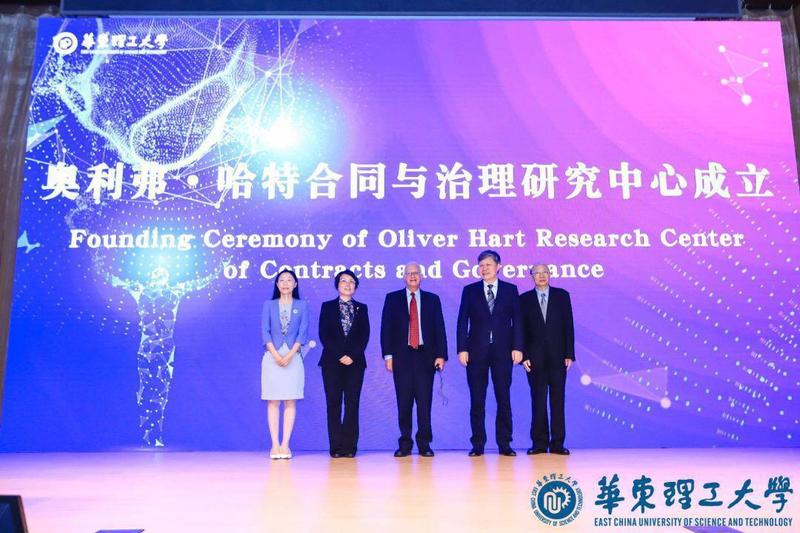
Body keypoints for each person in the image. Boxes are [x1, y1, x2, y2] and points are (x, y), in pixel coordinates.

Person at [456, 250, 523, 456]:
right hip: (476, 352)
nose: (484, 269)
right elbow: (462, 321)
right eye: (481, 265)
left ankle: (505, 444)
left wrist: (518, 347)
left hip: (503, 352)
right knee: (477, 400)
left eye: (488, 265)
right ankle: (478, 444)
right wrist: (462, 349)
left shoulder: (511, 290)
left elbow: (518, 321)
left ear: (498, 266)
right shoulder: (470, 290)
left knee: (503, 398)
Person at [380, 262, 448, 457]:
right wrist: (388, 356)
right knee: (404, 402)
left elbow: (440, 328)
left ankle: (424, 444)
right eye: (408, 273)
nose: (412, 276)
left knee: (424, 402)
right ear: (403, 277)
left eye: (416, 273)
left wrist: (441, 355)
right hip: (401, 357)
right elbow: (386, 328)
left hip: (426, 357)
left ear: (421, 276)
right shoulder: (392, 298)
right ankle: (405, 444)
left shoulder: (432, 299)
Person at [520, 264, 575, 455]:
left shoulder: (562, 296)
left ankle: (558, 443)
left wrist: (569, 354)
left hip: (558, 357)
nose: (541, 276)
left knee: (558, 401)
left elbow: (568, 326)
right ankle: (539, 444)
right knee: (538, 401)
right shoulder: (524, 299)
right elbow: (520, 330)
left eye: (545, 272)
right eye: (537, 273)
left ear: (550, 275)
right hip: (534, 360)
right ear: (531, 276)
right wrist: (524, 356)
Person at [318, 269, 370, 458]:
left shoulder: (362, 308)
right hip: (332, 362)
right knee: (333, 404)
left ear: (355, 287)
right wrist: (340, 354)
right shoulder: (327, 307)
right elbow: (324, 334)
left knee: (352, 404)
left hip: (355, 363)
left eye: (351, 282)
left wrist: (352, 355)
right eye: (343, 281)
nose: (348, 284)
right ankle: (335, 447)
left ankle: (350, 447)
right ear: (337, 285)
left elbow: (364, 335)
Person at [261, 269, 309, 460]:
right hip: (271, 356)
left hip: (293, 356)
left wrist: (289, 355)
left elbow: (302, 333)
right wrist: (275, 355)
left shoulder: (302, 305)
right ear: (277, 284)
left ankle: (285, 444)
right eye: (282, 280)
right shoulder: (269, 305)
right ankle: (274, 445)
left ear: (295, 284)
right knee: (273, 401)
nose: (286, 283)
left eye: (290, 280)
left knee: (290, 400)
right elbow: (265, 331)